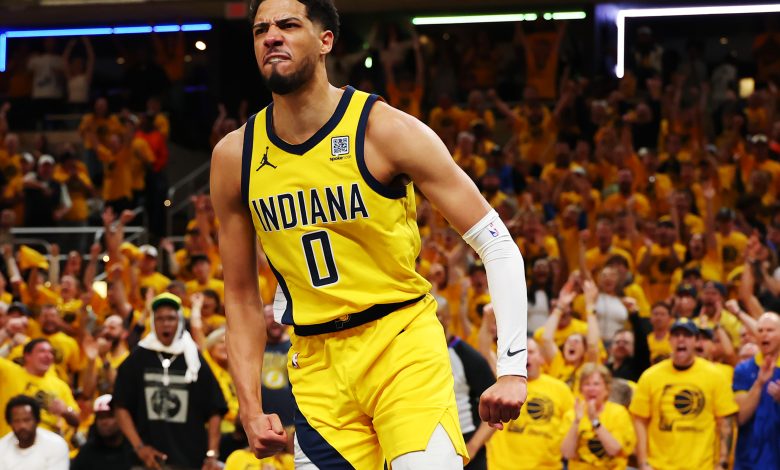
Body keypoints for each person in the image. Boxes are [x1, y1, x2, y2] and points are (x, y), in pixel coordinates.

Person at [210, 0, 528, 468]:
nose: (271, 36)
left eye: (288, 25)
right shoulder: (234, 156)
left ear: (325, 41)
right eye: (261, 29)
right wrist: (251, 407)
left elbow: (497, 243)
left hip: (400, 342)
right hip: (316, 363)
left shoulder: (385, 129)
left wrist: (513, 368)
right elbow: (239, 295)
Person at [112, 293, 226, 470]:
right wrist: (139, 447)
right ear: (152, 322)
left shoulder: (193, 357)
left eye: (171, 318)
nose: (166, 323)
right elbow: (120, 405)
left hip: (189, 458)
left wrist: (212, 454)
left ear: (179, 321)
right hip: (145, 461)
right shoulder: (138, 357)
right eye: (160, 319)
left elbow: (215, 408)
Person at [630, 318, 738, 470]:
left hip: (701, 466)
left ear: (696, 341)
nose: (681, 339)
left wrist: (722, 463)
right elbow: (639, 420)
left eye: (687, 335)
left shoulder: (715, 376)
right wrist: (643, 462)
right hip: (659, 466)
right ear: (669, 340)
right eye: (676, 335)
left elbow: (725, 420)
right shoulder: (650, 376)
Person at [486, 339, 573, 470]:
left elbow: (572, 421)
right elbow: (485, 349)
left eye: (531, 352)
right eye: (520, 353)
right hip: (502, 466)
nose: (525, 356)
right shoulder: (502, 384)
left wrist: (555, 446)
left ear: (542, 359)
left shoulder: (560, 389)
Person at [560, 364, 636, 469]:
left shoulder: (618, 413)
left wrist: (595, 421)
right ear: (581, 389)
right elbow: (567, 454)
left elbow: (614, 449)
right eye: (587, 384)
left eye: (596, 384)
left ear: (606, 389)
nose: (591, 389)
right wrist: (576, 422)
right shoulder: (572, 415)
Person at [732, 312, 780, 469]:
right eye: (760, 330)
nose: (764, 335)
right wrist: (759, 383)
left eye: (770, 330)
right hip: (748, 460)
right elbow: (741, 417)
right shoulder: (743, 370)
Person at [0, 395, 69, 470]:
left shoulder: (56, 444)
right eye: (17, 421)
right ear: (10, 423)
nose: (22, 425)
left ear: (37, 420)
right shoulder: (2, 447)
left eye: (27, 420)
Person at [70, 394, 135, 470]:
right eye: (101, 417)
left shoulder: (134, 449)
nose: (104, 422)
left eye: (109, 416)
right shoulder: (87, 452)